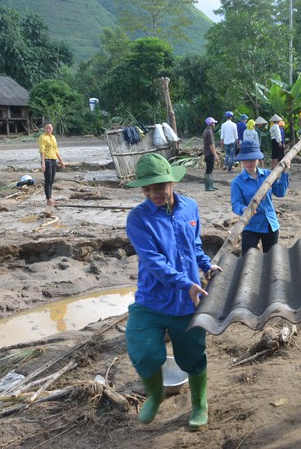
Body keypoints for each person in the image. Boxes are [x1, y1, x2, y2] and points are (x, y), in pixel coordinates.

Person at [124, 152, 221, 430]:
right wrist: (185, 282)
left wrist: (206, 265)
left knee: (192, 356)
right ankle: (155, 395)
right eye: (148, 189)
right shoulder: (138, 219)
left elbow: (195, 245)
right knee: (142, 348)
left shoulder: (190, 208)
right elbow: (154, 262)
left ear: (171, 182)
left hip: (188, 302)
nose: (154, 193)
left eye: (159, 187)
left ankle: (200, 403)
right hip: (152, 300)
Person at [231, 141, 291, 254]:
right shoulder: (237, 182)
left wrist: (284, 174)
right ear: (242, 161)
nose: (249, 163)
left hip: (270, 224)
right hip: (250, 226)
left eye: (252, 159)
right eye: (246, 160)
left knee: (271, 259)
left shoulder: (268, 174)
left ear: (258, 160)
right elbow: (235, 205)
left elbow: (280, 193)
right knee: (249, 260)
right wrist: (244, 209)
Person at [38, 122, 65, 206]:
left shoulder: (53, 137)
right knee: (48, 180)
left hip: (54, 160)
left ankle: (50, 198)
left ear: (52, 128)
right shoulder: (42, 137)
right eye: (46, 128)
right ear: (44, 128)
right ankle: (48, 199)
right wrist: (42, 163)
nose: (48, 129)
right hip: (47, 160)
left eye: (49, 128)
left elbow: (56, 150)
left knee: (52, 180)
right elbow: (42, 150)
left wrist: (61, 161)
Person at [202, 117, 219, 191]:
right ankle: (208, 186)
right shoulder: (209, 132)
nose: (214, 124)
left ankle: (210, 185)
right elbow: (211, 144)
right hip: (209, 153)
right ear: (211, 124)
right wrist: (215, 154)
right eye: (214, 123)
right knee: (209, 169)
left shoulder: (206, 131)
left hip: (207, 152)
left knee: (210, 169)